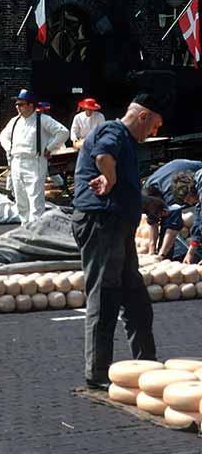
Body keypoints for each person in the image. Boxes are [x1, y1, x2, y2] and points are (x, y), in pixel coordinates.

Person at [72, 94, 166, 390]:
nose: (154, 133)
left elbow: (121, 190)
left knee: (136, 299)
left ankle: (147, 364)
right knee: (105, 296)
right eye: (154, 125)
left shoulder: (124, 139)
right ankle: (98, 373)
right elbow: (103, 156)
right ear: (143, 116)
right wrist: (109, 178)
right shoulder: (112, 131)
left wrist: (144, 202)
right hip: (101, 224)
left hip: (117, 225)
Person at [0, 89, 70, 225]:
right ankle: (24, 227)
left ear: (31, 105)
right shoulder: (15, 121)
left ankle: (36, 231)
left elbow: (63, 132)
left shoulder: (42, 120)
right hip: (16, 162)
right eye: (16, 104)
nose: (17, 107)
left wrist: (49, 148)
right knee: (20, 199)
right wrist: (10, 148)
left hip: (34, 162)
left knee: (35, 198)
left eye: (21, 104)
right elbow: (4, 136)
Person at [142, 159, 202, 260]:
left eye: (187, 200)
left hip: (192, 170)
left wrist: (162, 255)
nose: (189, 204)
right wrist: (152, 252)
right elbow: (152, 221)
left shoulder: (171, 193)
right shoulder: (147, 194)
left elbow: (173, 226)